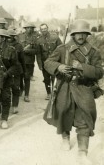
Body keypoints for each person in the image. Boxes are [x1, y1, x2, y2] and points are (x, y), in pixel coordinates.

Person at [44, 19, 103, 165]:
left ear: (87, 34)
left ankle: (82, 152)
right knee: (63, 113)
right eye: (78, 33)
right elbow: (47, 63)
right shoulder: (63, 49)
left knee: (85, 117)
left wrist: (82, 67)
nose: (81, 36)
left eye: (84, 33)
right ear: (73, 34)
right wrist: (58, 67)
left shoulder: (93, 51)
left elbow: (99, 72)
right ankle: (65, 137)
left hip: (84, 88)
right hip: (65, 86)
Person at [0, 29, 18, 129]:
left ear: (3, 38)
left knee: (6, 98)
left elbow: (15, 66)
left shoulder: (11, 50)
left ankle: (4, 119)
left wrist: (6, 74)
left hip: (6, 78)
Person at [37, 23, 62, 100]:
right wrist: (40, 64)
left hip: (54, 62)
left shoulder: (55, 37)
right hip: (45, 63)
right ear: (40, 30)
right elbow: (38, 54)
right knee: (46, 79)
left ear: (47, 28)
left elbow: (61, 48)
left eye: (45, 28)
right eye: (42, 29)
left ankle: (55, 93)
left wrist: (60, 61)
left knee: (54, 78)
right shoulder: (39, 40)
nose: (44, 30)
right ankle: (48, 93)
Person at [18, 22, 41, 102]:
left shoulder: (35, 38)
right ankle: (21, 89)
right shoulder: (19, 36)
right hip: (20, 61)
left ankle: (26, 95)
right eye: (28, 28)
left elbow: (37, 51)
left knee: (27, 78)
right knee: (20, 76)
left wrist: (28, 51)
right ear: (25, 28)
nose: (29, 29)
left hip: (29, 62)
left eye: (31, 28)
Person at [6, 29, 25, 114]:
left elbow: (22, 59)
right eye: (8, 37)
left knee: (15, 88)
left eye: (11, 36)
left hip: (17, 70)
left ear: (14, 37)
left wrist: (23, 71)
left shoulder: (19, 46)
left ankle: (15, 106)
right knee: (6, 89)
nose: (9, 38)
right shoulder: (4, 45)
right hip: (6, 70)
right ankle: (6, 105)